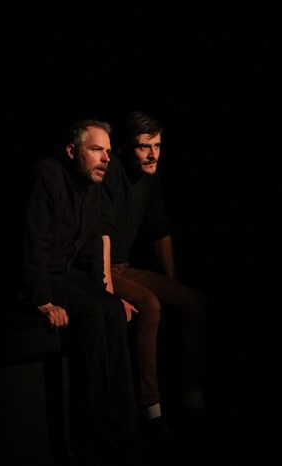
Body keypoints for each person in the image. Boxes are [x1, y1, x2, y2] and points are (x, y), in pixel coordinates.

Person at [19, 118, 141, 465]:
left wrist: (106, 294)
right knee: (90, 314)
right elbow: (33, 243)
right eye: (96, 149)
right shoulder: (48, 175)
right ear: (72, 151)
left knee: (111, 309)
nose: (105, 158)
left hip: (68, 274)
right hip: (44, 275)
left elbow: (91, 251)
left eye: (107, 151)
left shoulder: (92, 186)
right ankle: (92, 437)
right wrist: (42, 300)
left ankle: (123, 429)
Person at [101, 110, 208, 442]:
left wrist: (171, 284)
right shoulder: (111, 172)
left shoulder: (150, 176)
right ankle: (151, 411)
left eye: (157, 146)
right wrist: (107, 290)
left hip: (125, 266)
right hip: (101, 267)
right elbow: (99, 235)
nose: (152, 154)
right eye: (144, 147)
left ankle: (192, 397)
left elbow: (160, 229)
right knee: (149, 304)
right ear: (124, 148)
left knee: (192, 301)